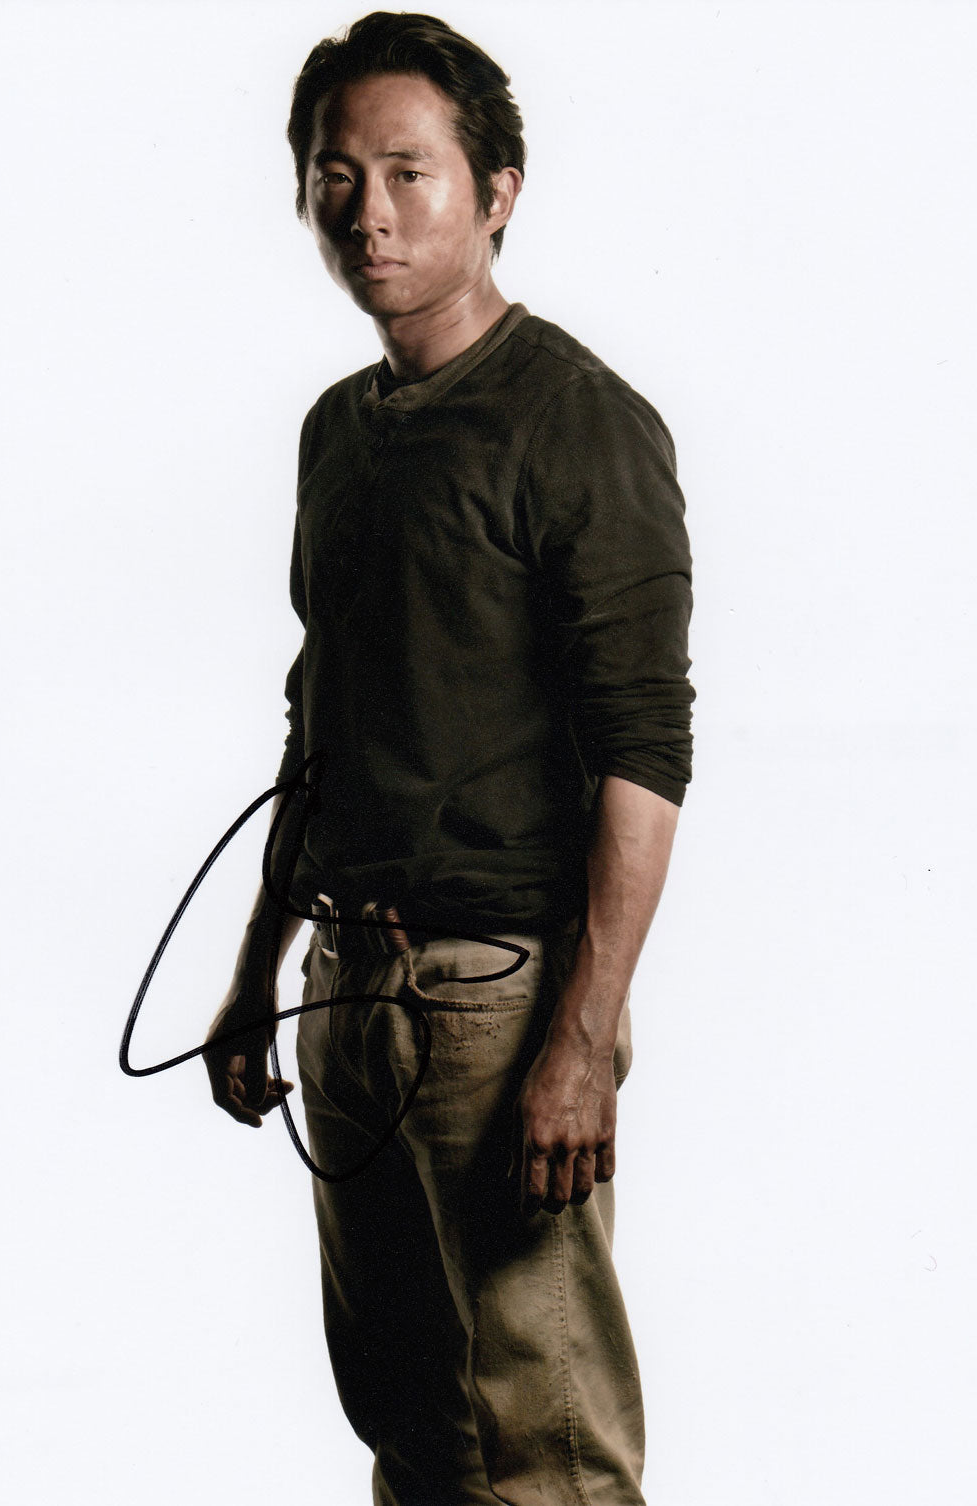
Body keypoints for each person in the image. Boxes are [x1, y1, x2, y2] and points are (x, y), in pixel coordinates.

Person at [204, 13, 694, 1504]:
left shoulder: (581, 422)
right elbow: (321, 724)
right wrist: (256, 972)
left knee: (545, 1453)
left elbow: (645, 747)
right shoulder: (338, 434)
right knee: (413, 1438)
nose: (369, 211)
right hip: (346, 986)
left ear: (497, 191)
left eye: (408, 172)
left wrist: (581, 1042)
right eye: (335, 173)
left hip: (499, 999)